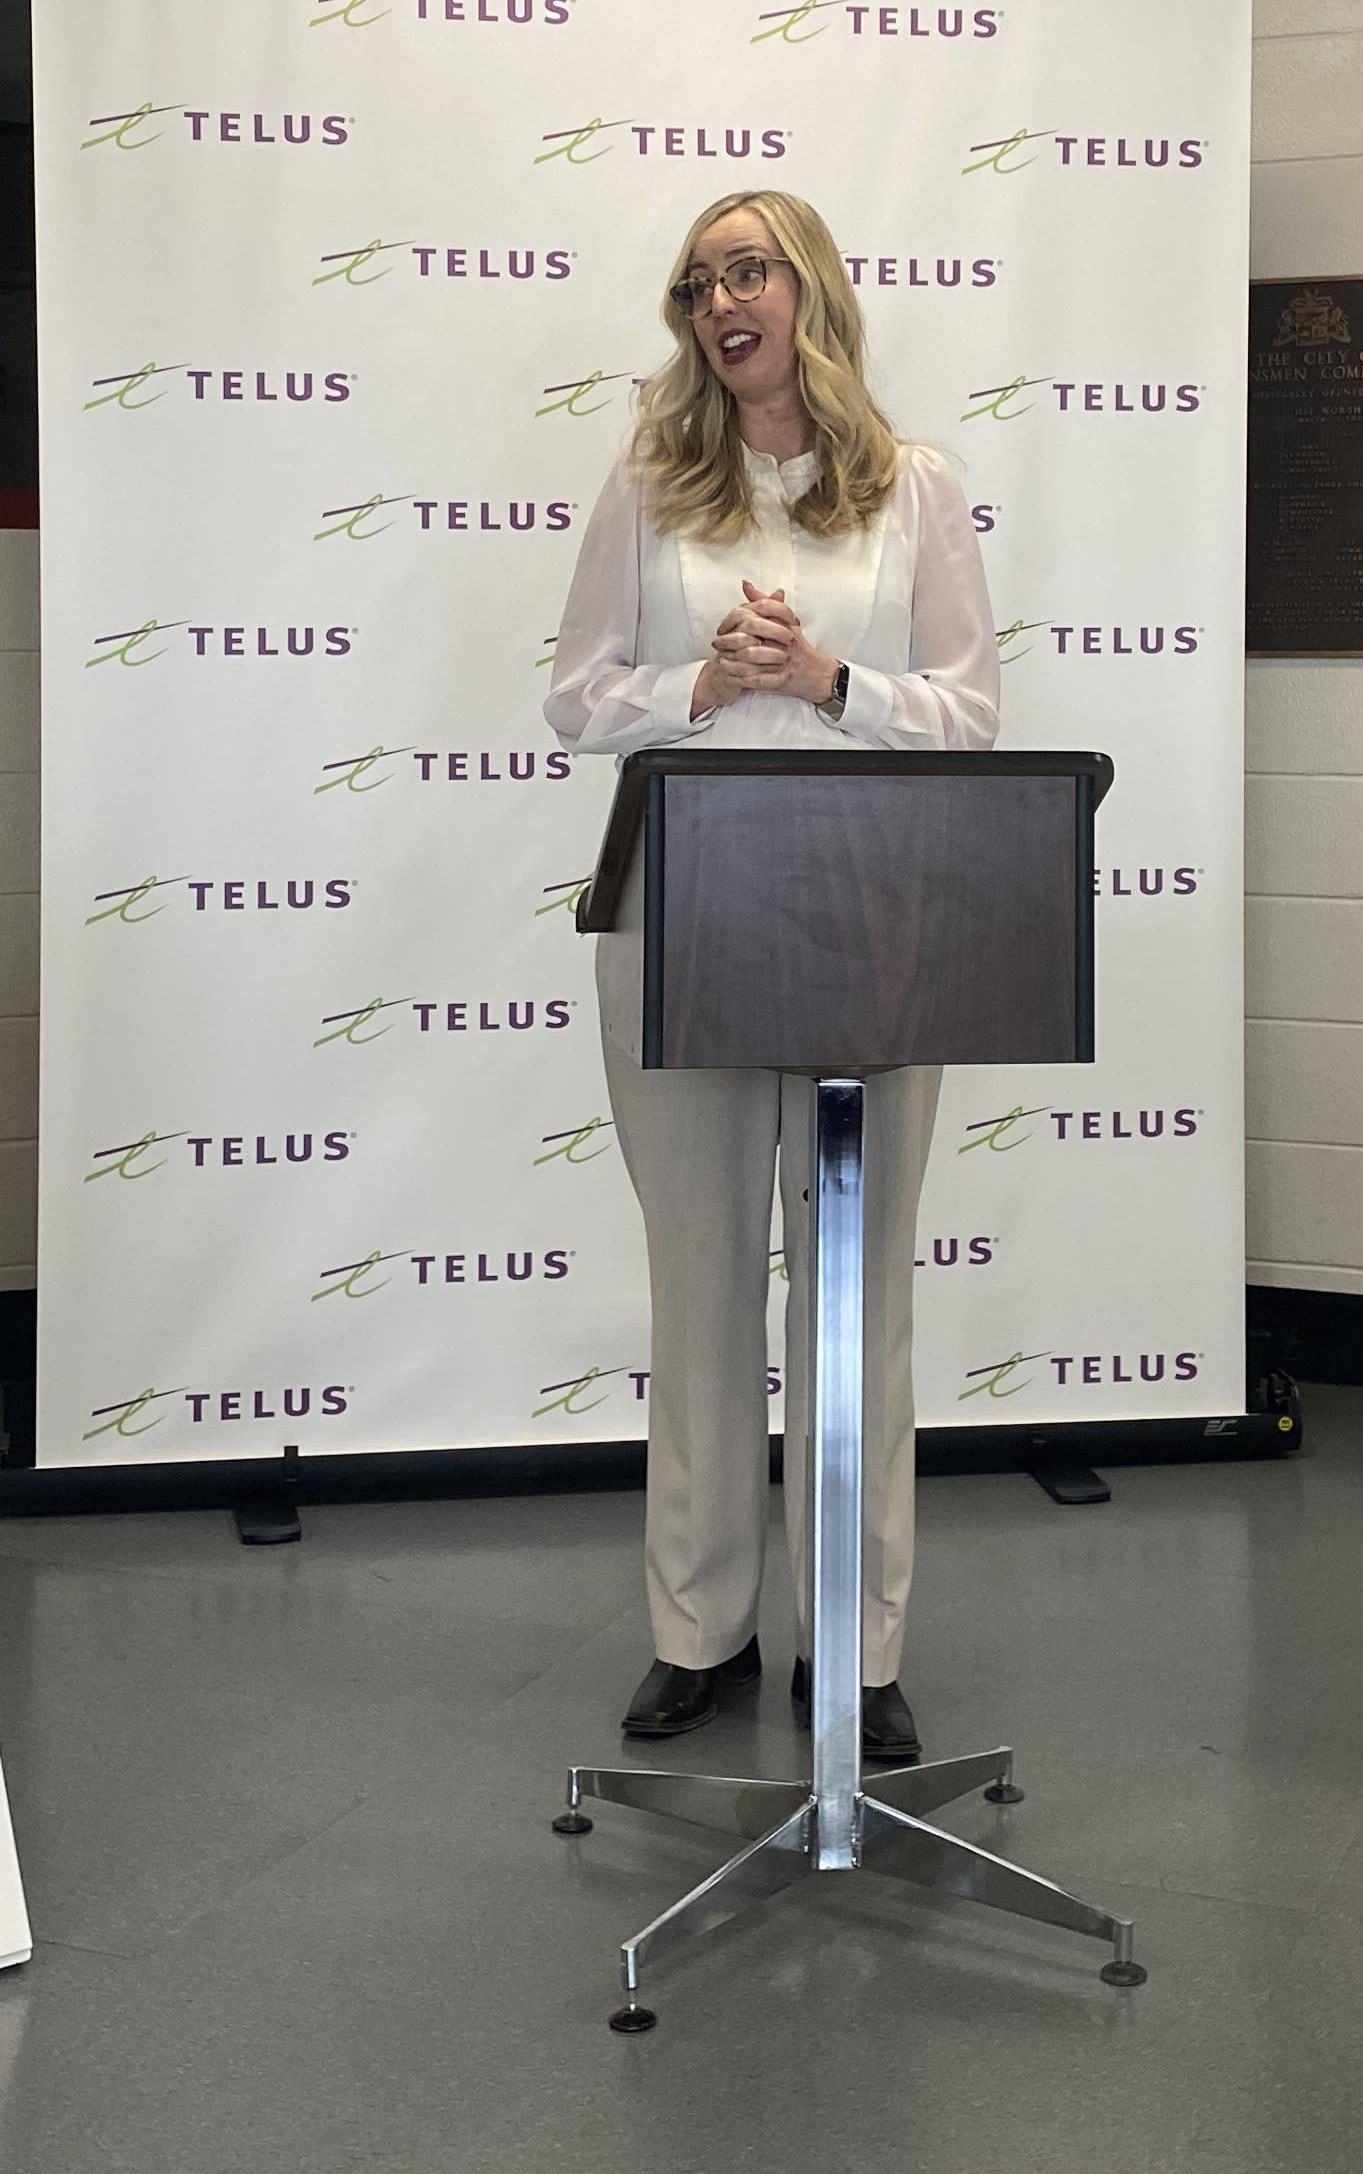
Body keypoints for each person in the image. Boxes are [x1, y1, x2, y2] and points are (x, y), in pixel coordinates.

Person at [544, 189, 1000, 1758]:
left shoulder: (917, 485)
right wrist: (699, 682)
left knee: (858, 1294)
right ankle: (700, 1632)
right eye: (696, 285)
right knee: (702, 1282)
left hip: (874, 911)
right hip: (681, 906)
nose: (720, 302)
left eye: (747, 271)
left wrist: (828, 679)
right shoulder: (650, 482)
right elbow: (576, 700)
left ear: (809, 289)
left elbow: (971, 714)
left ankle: (858, 1648)